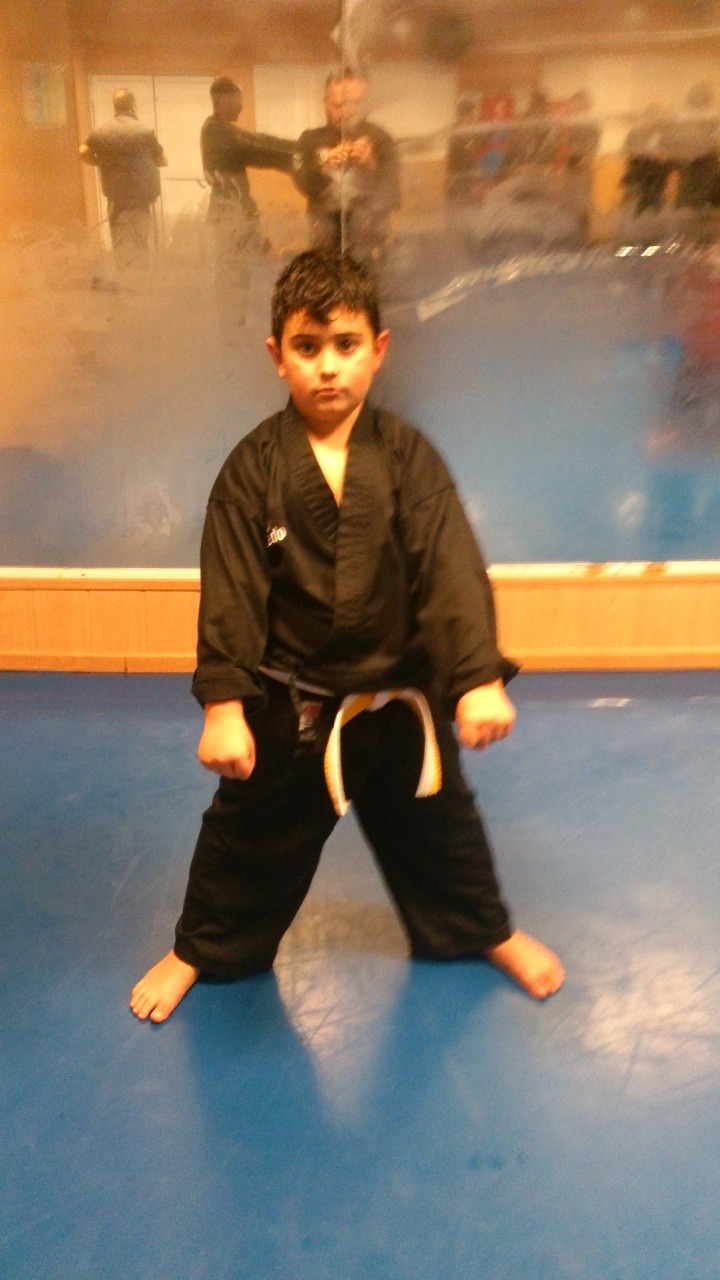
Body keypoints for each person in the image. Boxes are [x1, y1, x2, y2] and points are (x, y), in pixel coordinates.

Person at [130, 251, 565, 1024]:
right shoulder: (251, 470)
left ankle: (482, 931)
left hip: (400, 698)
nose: (327, 367)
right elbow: (232, 594)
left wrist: (475, 678)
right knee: (250, 833)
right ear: (277, 356)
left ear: (378, 349)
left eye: (345, 345)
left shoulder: (408, 459)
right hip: (294, 702)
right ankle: (204, 947)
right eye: (307, 347)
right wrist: (224, 706)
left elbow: (450, 570)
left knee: (441, 827)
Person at [200, 75, 296, 331]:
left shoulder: (223, 129)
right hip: (229, 218)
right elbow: (257, 147)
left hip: (235, 215)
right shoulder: (216, 131)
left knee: (241, 280)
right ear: (223, 100)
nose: (242, 106)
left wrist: (301, 147)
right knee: (233, 282)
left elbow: (258, 141)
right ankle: (231, 338)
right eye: (238, 100)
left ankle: (236, 332)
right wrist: (299, 153)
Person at [293, 70, 401, 263]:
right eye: (338, 105)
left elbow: (392, 192)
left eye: (355, 104)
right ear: (325, 102)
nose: (346, 112)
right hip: (323, 242)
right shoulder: (309, 139)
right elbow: (302, 182)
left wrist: (371, 163)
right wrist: (322, 165)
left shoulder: (381, 139)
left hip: (369, 243)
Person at [80, 89, 167, 274]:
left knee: (120, 241)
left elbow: (83, 151)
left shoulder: (101, 130)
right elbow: (162, 160)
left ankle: (124, 279)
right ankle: (141, 279)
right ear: (133, 105)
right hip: (140, 198)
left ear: (115, 106)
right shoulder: (144, 131)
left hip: (116, 197)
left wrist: (98, 162)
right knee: (141, 241)